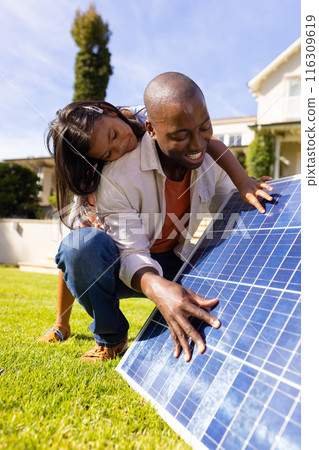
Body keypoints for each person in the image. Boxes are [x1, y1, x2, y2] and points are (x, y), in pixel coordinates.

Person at [53, 72, 273, 362]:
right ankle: (111, 338)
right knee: (80, 245)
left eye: (115, 136)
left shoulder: (187, 139)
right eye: (108, 152)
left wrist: (246, 183)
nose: (121, 148)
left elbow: (216, 153)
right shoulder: (112, 177)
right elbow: (100, 256)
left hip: (176, 258)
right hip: (123, 266)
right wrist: (61, 322)